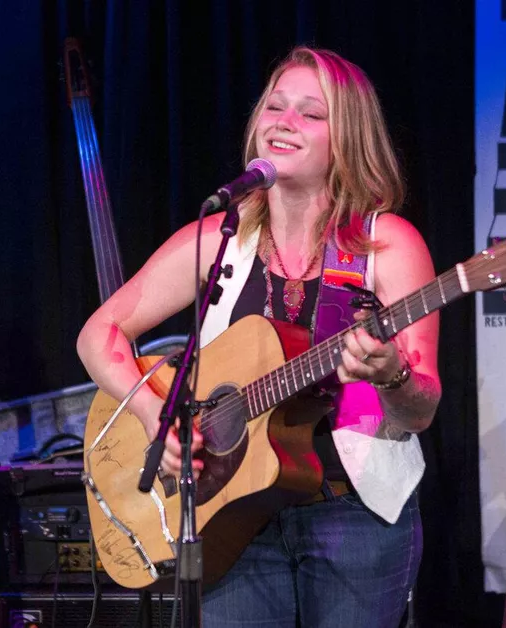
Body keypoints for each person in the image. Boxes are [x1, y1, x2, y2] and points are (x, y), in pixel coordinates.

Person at [77, 46, 441, 627]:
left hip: (352, 515)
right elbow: (99, 333)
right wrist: (153, 413)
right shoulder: (223, 237)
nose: (284, 121)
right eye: (275, 106)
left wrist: (392, 374)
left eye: (310, 113)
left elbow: (420, 408)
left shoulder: (386, 245)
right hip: (231, 516)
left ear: (347, 138)